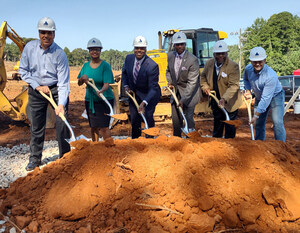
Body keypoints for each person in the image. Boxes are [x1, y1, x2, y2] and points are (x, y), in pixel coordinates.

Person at [19, 17, 70, 171]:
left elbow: (63, 82)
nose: (46, 36)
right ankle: (34, 160)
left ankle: (66, 158)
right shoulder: (29, 48)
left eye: (49, 32)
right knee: (36, 125)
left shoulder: (60, 54)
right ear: (39, 33)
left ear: (54, 34)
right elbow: (23, 71)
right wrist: (37, 86)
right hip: (36, 90)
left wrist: (61, 104)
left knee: (62, 123)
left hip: (55, 89)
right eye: (43, 32)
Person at [201, 40, 242, 138]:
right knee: (217, 127)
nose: (220, 56)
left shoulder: (233, 66)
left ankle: (230, 146)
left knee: (230, 129)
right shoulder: (209, 64)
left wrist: (224, 99)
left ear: (226, 53)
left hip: (230, 103)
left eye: (223, 53)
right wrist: (205, 87)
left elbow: (234, 86)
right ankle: (217, 146)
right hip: (215, 101)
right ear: (214, 54)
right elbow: (202, 77)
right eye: (218, 54)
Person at [243, 47, 286, 142]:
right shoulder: (248, 69)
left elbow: (266, 99)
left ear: (265, 60)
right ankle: (259, 144)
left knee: (277, 122)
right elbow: (245, 79)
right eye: (254, 61)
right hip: (259, 96)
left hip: (276, 96)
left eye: (260, 61)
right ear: (250, 61)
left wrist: (256, 115)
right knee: (259, 123)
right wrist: (248, 90)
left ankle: (281, 146)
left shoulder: (271, 76)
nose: (257, 64)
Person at [122, 36, 161, 139]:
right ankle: (136, 142)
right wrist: (126, 86)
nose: (139, 50)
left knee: (148, 116)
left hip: (149, 95)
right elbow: (124, 73)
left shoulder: (152, 66)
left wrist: (144, 103)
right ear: (134, 48)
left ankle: (150, 141)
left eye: (142, 48)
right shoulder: (129, 58)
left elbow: (153, 89)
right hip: (134, 94)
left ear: (146, 49)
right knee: (134, 119)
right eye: (137, 48)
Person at [78, 38, 115, 141]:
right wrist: (82, 78)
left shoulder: (105, 66)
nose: (94, 51)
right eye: (92, 49)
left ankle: (108, 149)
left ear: (100, 51)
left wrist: (101, 91)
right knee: (93, 126)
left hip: (104, 99)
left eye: (97, 49)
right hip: (90, 101)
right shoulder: (85, 66)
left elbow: (107, 84)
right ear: (89, 51)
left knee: (104, 127)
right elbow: (79, 83)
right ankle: (96, 148)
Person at [166, 31, 201, 137]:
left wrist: (183, 100)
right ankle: (177, 140)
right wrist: (170, 82)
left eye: (182, 44)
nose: (180, 46)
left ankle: (191, 139)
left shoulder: (192, 60)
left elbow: (192, 82)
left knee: (188, 117)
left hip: (189, 95)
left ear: (185, 44)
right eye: (177, 44)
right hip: (176, 94)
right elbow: (168, 71)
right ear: (174, 45)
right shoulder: (170, 56)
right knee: (176, 120)